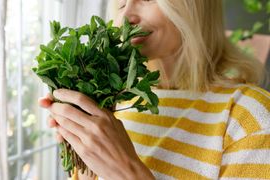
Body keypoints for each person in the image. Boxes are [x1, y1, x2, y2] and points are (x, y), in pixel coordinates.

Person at [39, 0, 270, 179]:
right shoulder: (118, 99)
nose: (127, 16)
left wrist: (127, 172)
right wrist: (85, 151)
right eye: (120, 3)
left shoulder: (249, 117)